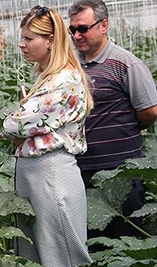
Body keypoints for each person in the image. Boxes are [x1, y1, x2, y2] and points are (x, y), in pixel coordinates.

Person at [0, 6, 94, 267]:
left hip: (51, 180)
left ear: (51, 40)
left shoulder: (63, 80)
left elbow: (12, 123)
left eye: (29, 38)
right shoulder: (48, 78)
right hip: (38, 178)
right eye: (22, 37)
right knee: (42, 266)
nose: (22, 44)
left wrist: (19, 121)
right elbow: (22, 122)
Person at [68, 0, 157, 242]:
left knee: (126, 241)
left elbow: (149, 111)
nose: (77, 35)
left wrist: (122, 130)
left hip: (121, 173)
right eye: (72, 29)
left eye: (83, 28)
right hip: (81, 171)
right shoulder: (71, 67)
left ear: (104, 25)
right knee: (93, 245)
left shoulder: (127, 64)